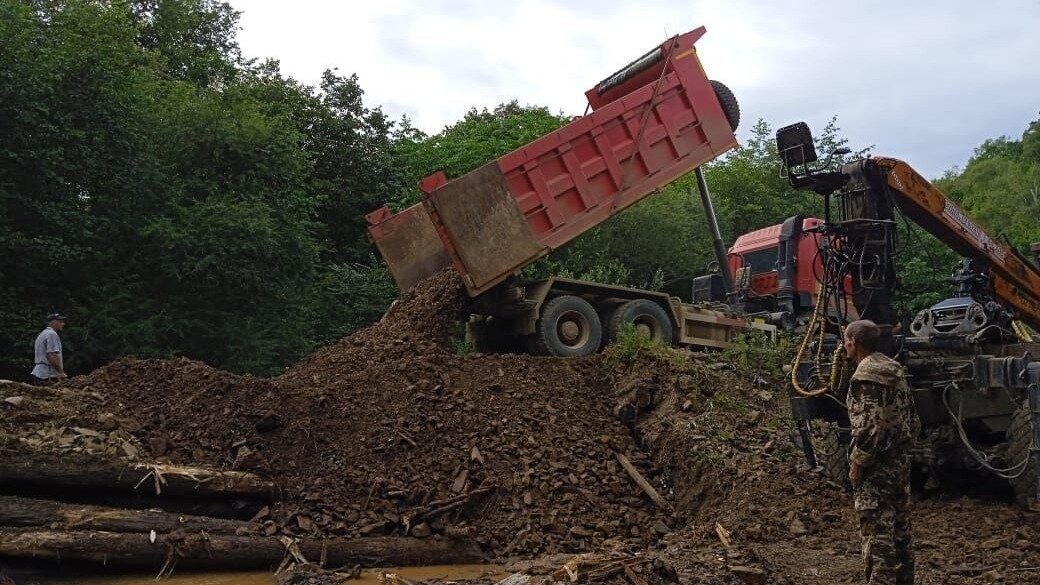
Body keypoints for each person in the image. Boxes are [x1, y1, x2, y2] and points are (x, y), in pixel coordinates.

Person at [843, 319, 919, 585]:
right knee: (900, 528)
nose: (844, 345)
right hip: (899, 461)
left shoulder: (866, 377)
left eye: (845, 340)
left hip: (877, 466)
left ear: (853, 341)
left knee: (876, 530)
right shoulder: (894, 368)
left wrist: (858, 463)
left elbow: (869, 427)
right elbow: (912, 418)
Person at [30, 313, 67, 386]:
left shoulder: (43, 333)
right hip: (47, 375)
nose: (63, 324)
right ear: (53, 322)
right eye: (60, 321)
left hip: (39, 372)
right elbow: (52, 355)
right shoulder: (52, 334)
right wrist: (61, 372)